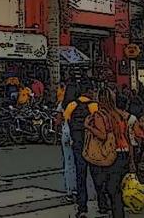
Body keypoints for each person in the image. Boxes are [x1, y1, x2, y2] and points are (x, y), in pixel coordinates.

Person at [86, 88, 131, 218]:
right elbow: (127, 136)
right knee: (116, 188)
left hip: (112, 154)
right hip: (124, 152)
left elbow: (102, 135)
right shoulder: (120, 114)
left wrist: (88, 127)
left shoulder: (100, 115)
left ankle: (116, 213)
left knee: (111, 189)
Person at [63, 81, 99, 218]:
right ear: (89, 91)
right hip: (92, 145)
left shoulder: (72, 105)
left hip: (77, 145)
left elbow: (66, 122)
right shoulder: (94, 106)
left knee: (80, 175)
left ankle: (82, 207)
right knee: (96, 174)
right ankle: (102, 203)